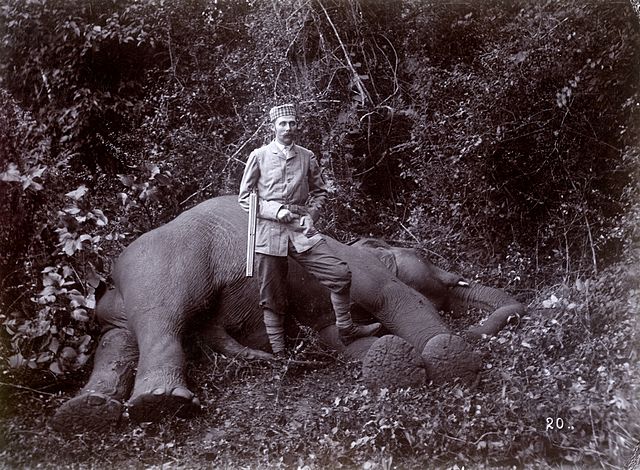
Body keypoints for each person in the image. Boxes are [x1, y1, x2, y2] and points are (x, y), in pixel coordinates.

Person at [238, 103, 381, 357]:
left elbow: (320, 192)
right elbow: (245, 197)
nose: (288, 128)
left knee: (339, 273)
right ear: (273, 127)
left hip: (300, 227)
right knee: (271, 293)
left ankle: (346, 329)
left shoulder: (306, 156)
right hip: (268, 231)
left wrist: (311, 216)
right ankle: (280, 355)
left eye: (292, 123)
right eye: (282, 124)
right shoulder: (258, 156)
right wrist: (274, 211)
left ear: (297, 126)